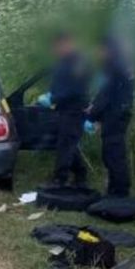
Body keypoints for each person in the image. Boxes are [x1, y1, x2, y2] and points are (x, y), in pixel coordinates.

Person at [37, 31, 92, 188]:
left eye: (57, 46)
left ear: (67, 44)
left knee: (65, 144)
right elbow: (59, 82)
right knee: (69, 143)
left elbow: (76, 89)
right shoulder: (62, 62)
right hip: (63, 109)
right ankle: (81, 175)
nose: (55, 50)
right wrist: (50, 93)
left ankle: (59, 179)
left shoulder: (78, 62)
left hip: (74, 109)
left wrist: (53, 99)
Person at [87, 36, 135, 197]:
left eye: (99, 50)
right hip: (119, 114)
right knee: (113, 153)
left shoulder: (112, 67)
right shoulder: (121, 65)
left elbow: (105, 95)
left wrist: (92, 114)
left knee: (113, 154)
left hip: (114, 115)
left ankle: (119, 192)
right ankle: (115, 190)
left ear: (107, 50)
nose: (98, 53)